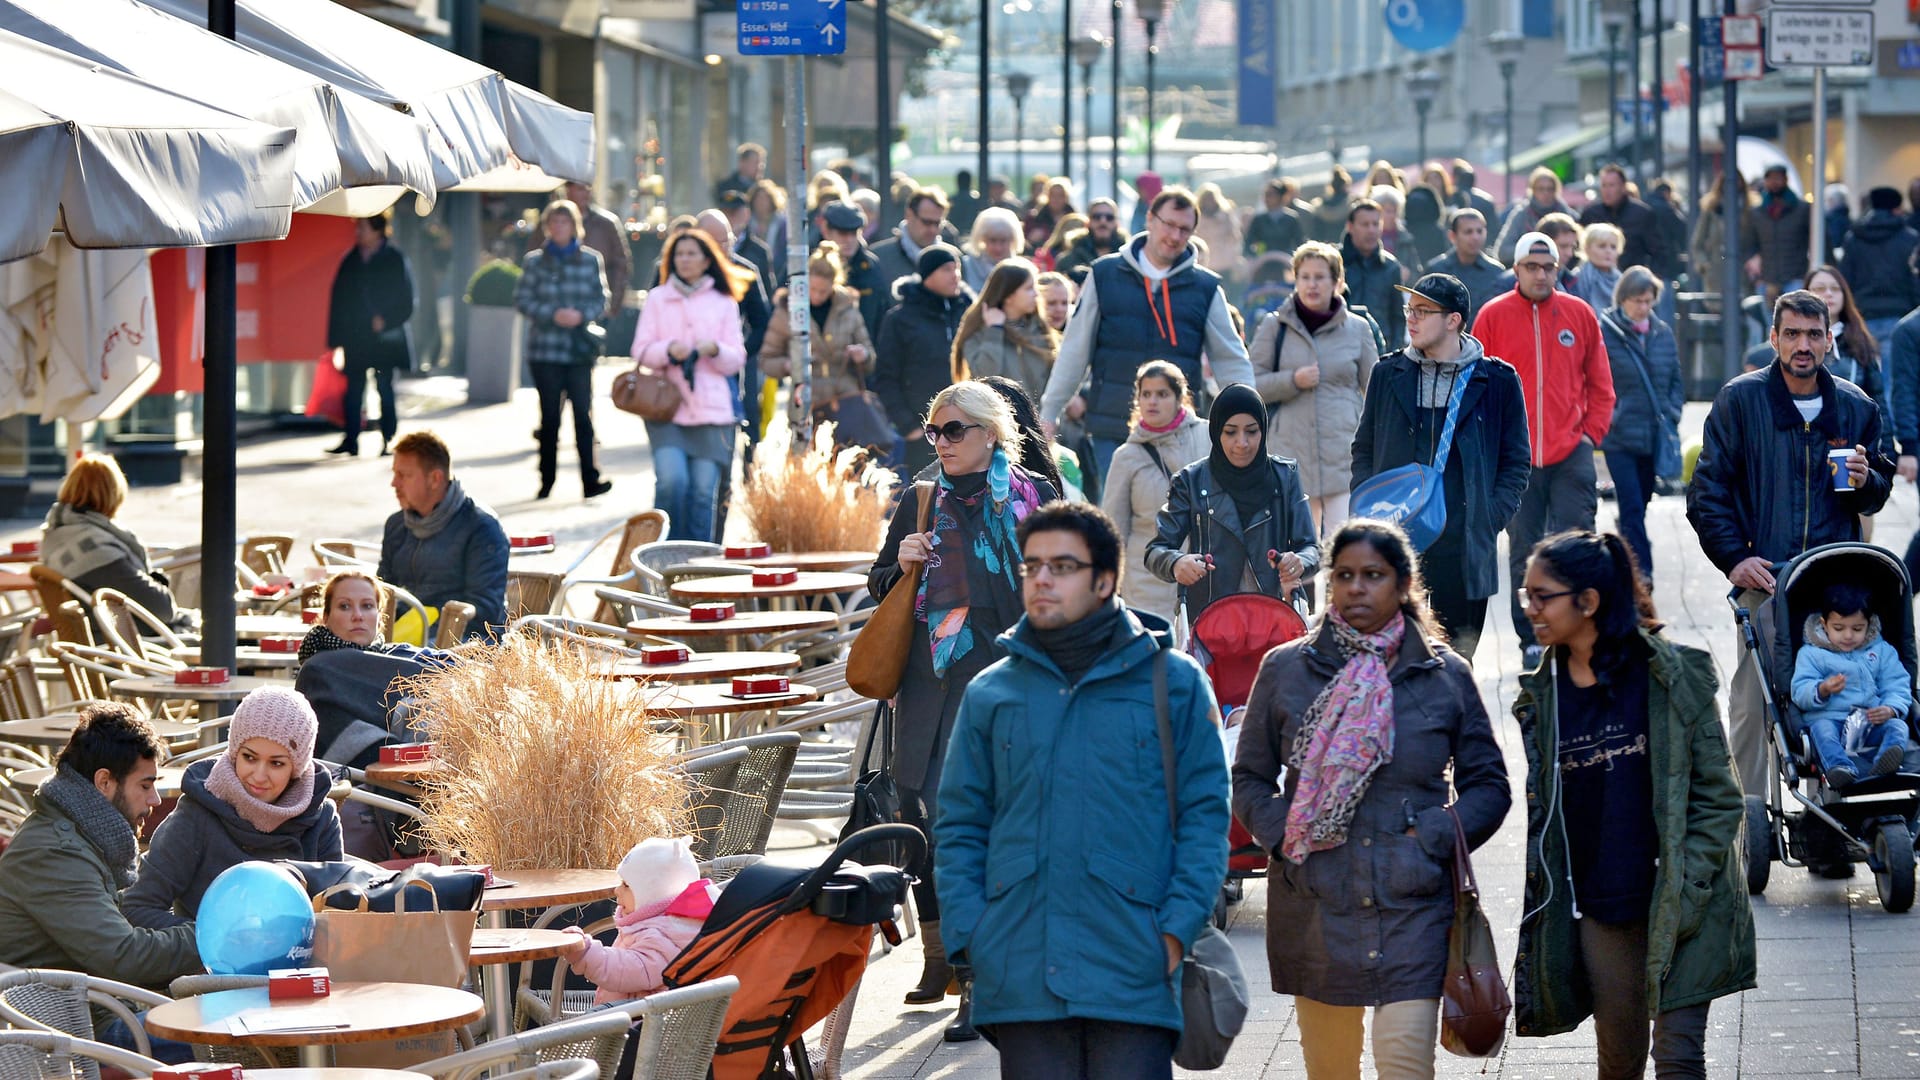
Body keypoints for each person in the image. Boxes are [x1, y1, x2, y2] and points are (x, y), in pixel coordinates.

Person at [937, 500, 1230, 1076]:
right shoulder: (991, 693)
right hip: (1021, 969)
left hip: (1136, 966)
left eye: (1062, 566)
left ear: (1103, 581)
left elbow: (1205, 820)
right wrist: (975, 940)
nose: (1041, 579)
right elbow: (960, 826)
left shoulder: (1173, 683)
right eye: (1031, 566)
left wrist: (1175, 931)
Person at [1234, 518, 1510, 1079]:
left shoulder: (1442, 675)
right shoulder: (1288, 670)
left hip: (1412, 903)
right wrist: (1287, 833)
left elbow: (1490, 785)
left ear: (1404, 584)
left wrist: (1435, 834)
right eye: (1344, 576)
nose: (1357, 588)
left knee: (1404, 1061)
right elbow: (1248, 780)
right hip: (1317, 904)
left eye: (1373, 575)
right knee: (1331, 1068)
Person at [1512, 530, 1755, 1075]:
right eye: (1526, 594)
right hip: (1602, 909)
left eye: (1540, 595)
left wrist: (1689, 888)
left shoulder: (1674, 675)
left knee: (1676, 1057)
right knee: (1618, 1060)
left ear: (1589, 601)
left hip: (1686, 897)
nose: (1528, 608)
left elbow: (1720, 798)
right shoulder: (1542, 694)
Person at [869, 382, 1057, 1040]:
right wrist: (901, 564)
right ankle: (970, 978)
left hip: (1016, 682)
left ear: (989, 433)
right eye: (934, 431)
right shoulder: (922, 498)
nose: (941, 443)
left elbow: (1076, 582)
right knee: (950, 832)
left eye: (953, 431)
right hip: (938, 685)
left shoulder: (1038, 497)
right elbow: (878, 586)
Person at [1687, 289, 1895, 801]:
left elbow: (1877, 494)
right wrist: (1735, 558)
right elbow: (1707, 492)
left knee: (1844, 695)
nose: (1803, 345)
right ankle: (1746, 821)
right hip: (1768, 577)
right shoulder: (1740, 400)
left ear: (1830, 341)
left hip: (1835, 586)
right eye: (1793, 334)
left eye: (1814, 335)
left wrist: (1869, 480)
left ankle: (1838, 821)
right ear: (1774, 337)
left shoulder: (1856, 406)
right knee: (1753, 701)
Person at [1352, 273, 1530, 661]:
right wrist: (1367, 510)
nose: (1411, 319)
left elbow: (1516, 462)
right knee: (1391, 661)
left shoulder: (1497, 379)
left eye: (1423, 311)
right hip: (1396, 542)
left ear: (1454, 320)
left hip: (1463, 545)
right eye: (1409, 310)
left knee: (1457, 667)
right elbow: (1363, 449)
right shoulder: (1388, 372)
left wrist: (1489, 516)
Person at [1039, 187, 1256, 483]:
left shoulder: (1205, 287)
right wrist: (1051, 410)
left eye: (1184, 229)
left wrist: (1249, 416)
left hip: (1179, 428)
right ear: (1150, 220)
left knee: (1179, 518)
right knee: (1116, 520)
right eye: (1169, 225)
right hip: (1113, 424)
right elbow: (1075, 350)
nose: (1175, 236)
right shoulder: (1104, 274)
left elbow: (1231, 359)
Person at [1474, 232, 1614, 663]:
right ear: (1515, 271)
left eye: (1547, 267)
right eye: (1531, 267)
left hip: (1571, 447)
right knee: (1524, 549)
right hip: (1516, 456)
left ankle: (1584, 629)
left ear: (1558, 269)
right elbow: (1475, 385)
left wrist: (1592, 433)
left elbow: (1601, 383)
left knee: (1579, 540)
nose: (1540, 274)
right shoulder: (1493, 316)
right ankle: (1532, 638)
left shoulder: (1579, 313)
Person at [0, 703, 199, 990]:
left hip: (92, 1003)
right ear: (104, 782)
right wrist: (211, 937)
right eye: (145, 785)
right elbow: (124, 957)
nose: (155, 800)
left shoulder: (84, 834)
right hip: (73, 1025)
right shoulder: (54, 854)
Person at [125, 686, 342, 928]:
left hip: (299, 960)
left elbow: (336, 913)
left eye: (277, 763)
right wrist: (214, 937)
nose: (259, 776)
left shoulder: (322, 818)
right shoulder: (196, 813)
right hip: (207, 962)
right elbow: (138, 907)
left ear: (297, 768)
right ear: (234, 753)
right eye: (249, 757)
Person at [1145, 383, 1319, 615]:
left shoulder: (1285, 476)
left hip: (1277, 617)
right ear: (1216, 431)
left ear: (1263, 430)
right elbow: (1155, 549)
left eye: (1252, 431)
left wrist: (1298, 562)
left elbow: (1312, 549)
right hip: (1209, 621)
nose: (1242, 443)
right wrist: (1176, 563)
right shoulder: (1190, 481)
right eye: (1230, 432)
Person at [1247, 240, 1379, 535]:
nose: (1312, 285)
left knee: (1345, 551)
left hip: (1344, 458)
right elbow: (1249, 385)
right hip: (1290, 459)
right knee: (1296, 559)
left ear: (1337, 281)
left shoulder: (1358, 328)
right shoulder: (1274, 326)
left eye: (1320, 277)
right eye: (1305, 277)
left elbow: (1375, 391)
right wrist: (1292, 381)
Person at [632, 227, 752, 543]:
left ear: (706, 260)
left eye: (691, 254)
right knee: (672, 481)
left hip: (712, 412)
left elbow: (736, 357)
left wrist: (713, 348)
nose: (685, 260)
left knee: (703, 491)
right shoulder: (657, 298)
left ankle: (699, 563)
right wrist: (668, 349)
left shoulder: (724, 301)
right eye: (679, 254)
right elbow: (640, 350)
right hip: (666, 408)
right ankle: (662, 555)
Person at [295, 571, 458, 770]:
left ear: (379, 618)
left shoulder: (399, 654)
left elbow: (455, 666)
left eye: (367, 606)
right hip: (381, 784)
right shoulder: (319, 671)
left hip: (442, 766)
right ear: (326, 617)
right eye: (344, 606)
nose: (357, 616)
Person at [516, 199, 613, 502]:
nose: (559, 227)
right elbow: (523, 299)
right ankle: (546, 480)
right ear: (547, 227)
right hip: (546, 351)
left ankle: (590, 479)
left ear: (574, 226)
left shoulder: (590, 259)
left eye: (564, 222)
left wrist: (581, 315)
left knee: (583, 416)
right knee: (549, 419)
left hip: (579, 350)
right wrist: (551, 313)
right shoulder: (534, 261)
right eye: (554, 222)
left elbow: (602, 299)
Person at [1101, 361, 1209, 620]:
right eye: (1146, 394)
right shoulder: (1126, 456)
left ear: (1179, 398)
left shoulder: (1208, 436)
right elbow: (1113, 529)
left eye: (1162, 394)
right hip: (1145, 583)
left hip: (1205, 577)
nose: (1152, 401)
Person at [1597, 267, 1684, 585]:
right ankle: (1641, 572)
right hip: (1619, 436)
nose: (1643, 307)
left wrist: (1672, 412)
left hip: (1655, 436)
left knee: (1641, 504)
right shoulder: (1606, 331)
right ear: (1623, 298)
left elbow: (1675, 377)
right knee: (1632, 504)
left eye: (1648, 301)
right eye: (1637, 301)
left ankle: (1628, 546)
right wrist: (1610, 415)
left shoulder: (1662, 333)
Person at [378, 430, 509, 639]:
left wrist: (427, 638)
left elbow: (486, 612)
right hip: (400, 640)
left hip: (459, 647)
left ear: (435, 479)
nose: (394, 483)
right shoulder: (396, 524)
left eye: (404, 475)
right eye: (394, 474)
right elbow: (382, 590)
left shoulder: (481, 527)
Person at [560, 836, 715, 1005]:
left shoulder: (664, 934)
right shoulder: (656, 923)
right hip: (625, 1017)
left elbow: (627, 970)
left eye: (626, 885)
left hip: (634, 1025)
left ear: (653, 893)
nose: (617, 890)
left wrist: (587, 953)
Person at [40, 454, 189, 629]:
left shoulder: (58, 535)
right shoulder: (96, 550)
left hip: (96, 640)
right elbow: (163, 609)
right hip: (126, 645)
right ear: (113, 495)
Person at [1791, 582, 1915, 788]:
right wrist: (1822, 689)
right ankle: (1840, 768)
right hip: (1829, 719)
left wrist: (1890, 709)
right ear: (1824, 624)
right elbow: (1799, 689)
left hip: (1868, 720)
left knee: (1899, 726)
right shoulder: (1812, 654)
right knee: (1822, 731)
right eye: (1838, 628)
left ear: (1869, 624)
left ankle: (1885, 763)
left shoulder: (1881, 651)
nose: (1848, 636)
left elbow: (1896, 683)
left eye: (1857, 629)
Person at [874, 243, 975, 479]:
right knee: (927, 500)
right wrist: (908, 426)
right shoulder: (900, 319)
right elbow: (885, 376)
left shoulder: (969, 312)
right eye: (947, 269)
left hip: (969, 426)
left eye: (957, 268)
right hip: (925, 433)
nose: (955, 276)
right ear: (929, 274)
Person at [760, 244, 876, 444]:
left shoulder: (847, 308)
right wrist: (789, 364)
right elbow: (767, 360)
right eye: (812, 289)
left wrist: (862, 355)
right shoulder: (787, 311)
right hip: (806, 404)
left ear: (834, 284)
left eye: (824, 291)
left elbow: (871, 359)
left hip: (846, 402)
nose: (817, 296)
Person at [325, 212, 414, 458]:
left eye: (363, 227)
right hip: (356, 338)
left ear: (377, 229)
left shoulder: (394, 259)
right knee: (353, 389)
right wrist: (336, 341)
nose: (358, 233)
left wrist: (386, 321)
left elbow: (406, 300)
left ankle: (389, 438)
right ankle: (351, 438)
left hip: (384, 340)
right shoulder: (351, 260)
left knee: (385, 387)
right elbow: (338, 302)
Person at [1806, 265, 1896, 464]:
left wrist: (1888, 453)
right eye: (1820, 289)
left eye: (1835, 288)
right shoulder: (1797, 345)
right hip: (1807, 446)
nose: (1828, 294)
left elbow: (1877, 400)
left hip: (1850, 447)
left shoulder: (1859, 341)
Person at [529, 180, 632, 327]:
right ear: (568, 190)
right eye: (580, 189)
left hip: (596, 311)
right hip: (552, 316)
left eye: (588, 188)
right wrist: (547, 312)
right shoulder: (549, 223)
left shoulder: (606, 224)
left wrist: (611, 307)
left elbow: (621, 267)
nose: (586, 193)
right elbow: (533, 263)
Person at [952, 257, 1058, 389]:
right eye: (1029, 288)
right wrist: (994, 331)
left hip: (1040, 410)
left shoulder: (1039, 327)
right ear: (1008, 295)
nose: (1036, 294)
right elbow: (983, 377)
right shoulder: (979, 330)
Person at [1838, 187, 1920, 349]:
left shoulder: (1854, 237)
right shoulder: (1909, 238)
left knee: (1866, 368)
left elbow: (1845, 277)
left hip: (1863, 313)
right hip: (1900, 312)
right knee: (1893, 370)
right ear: (1896, 208)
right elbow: (1914, 280)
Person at [1577, 163, 1671, 281]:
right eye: (1604, 185)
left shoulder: (1642, 214)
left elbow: (1659, 252)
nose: (1607, 190)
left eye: (1611, 185)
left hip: (1632, 283)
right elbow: (1578, 247)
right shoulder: (1590, 214)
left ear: (1623, 187)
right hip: (1592, 281)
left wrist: (1651, 280)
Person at [1423, 208, 1508, 327]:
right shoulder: (1436, 271)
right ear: (1452, 236)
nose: (1475, 237)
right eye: (1468, 232)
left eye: (1479, 231)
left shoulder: (1496, 272)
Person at [1341, 199, 1406, 351]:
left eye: (1376, 224)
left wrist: (1395, 353)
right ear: (1350, 227)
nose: (1371, 230)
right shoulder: (1336, 262)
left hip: (1380, 347)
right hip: (1342, 345)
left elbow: (1397, 316)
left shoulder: (1391, 267)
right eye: (1365, 224)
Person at [818, 200, 888, 340]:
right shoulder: (810, 265)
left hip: (864, 356)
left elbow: (883, 314)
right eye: (843, 233)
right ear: (826, 230)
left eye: (854, 232)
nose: (849, 239)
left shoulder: (871, 266)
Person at [872, 186, 952, 298]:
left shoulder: (953, 259)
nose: (933, 230)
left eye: (938, 224)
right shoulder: (878, 258)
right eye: (927, 222)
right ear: (909, 215)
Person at [1689, 169, 1759, 297]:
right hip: (1716, 272)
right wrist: (1705, 265)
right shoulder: (1711, 210)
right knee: (1717, 309)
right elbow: (1697, 243)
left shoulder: (1751, 210)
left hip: (1744, 274)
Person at [1752, 164, 1812, 301]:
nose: (1774, 182)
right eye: (1771, 178)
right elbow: (1750, 244)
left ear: (1785, 180)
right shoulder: (1757, 213)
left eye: (1778, 178)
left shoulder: (1803, 209)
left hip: (1796, 276)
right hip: (1767, 279)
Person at [1494, 167, 1575, 259]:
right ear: (1532, 190)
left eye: (1550, 189)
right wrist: (1533, 250)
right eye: (1541, 189)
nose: (1546, 193)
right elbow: (1503, 252)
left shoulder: (1566, 214)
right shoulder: (1522, 214)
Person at [1055, 197, 1127, 283]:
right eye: (1096, 217)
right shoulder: (1068, 262)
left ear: (1117, 224)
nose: (1103, 221)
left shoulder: (1128, 260)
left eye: (1109, 217)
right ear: (1087, 223)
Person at [962, 207, 1023, 295]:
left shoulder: (1021, 269)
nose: (998, 248)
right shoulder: (966, 266)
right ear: (982, 239)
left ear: (1013, 239)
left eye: (1003, 240)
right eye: (992, 240)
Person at [1567, 221, 1623, 316]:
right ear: (1586, 248)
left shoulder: (1622, 281)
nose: (1608, 251)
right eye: (1602, 246)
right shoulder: (1575, 280)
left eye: (1613, 247)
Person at [1193, 183, 1245, 280]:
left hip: (1225, 262)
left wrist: (1235, 258)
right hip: (1204, 261)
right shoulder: (1196, 217)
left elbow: (1235, 237)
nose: (1209, 201)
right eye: (1206, 198)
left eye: (1211, 198)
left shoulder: (1226, 215)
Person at [1246, 178, 1306, 260]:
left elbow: (1300, 242)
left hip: (1286, 261)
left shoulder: (1291, 218)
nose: (1266, 199)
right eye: (1265, 195)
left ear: (1281, 197)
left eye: (1270, 195)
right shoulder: (1259, 220)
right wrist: (1257, 257)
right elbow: (1249, 243)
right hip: (1265, 261)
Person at [1022, 178, 1076, 251]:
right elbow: (1023, 242)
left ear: (1066, 197)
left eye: (1060, 195)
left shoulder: (1074, 218)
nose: (1056, 199)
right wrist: (1031, 239)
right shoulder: (1034, 218)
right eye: (1052, 195)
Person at [745, 178, 789, 261]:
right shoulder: (746, 222)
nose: (761, 202)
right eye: (758, 198)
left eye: (765, 198)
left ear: (772, 200)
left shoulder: (782, 223)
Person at [1308, 167, 1355, 244]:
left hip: (1326, 245)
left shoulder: (1319, 207)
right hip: (1346, 244)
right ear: (1345, 185)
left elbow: (1316, 232)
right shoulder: (1352, 204)